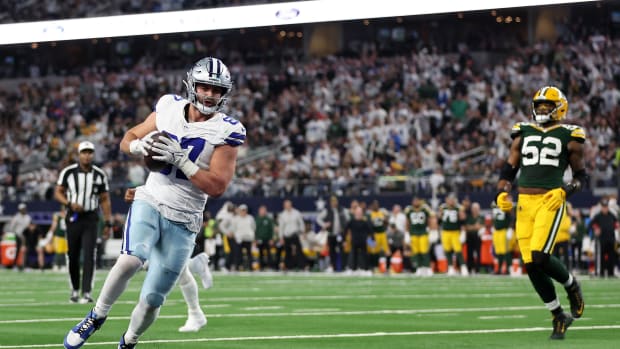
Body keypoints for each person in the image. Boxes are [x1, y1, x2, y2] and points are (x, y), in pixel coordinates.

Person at [63, 56, 244, 349]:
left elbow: (218, 186)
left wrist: (183, 162)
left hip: (185, 219)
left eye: (217, 89)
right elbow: (129, 137)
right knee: (131, 259)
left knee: (152, 299)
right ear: (192, 85)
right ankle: (96, 316)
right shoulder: (169, 107)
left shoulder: (228, 130)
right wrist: (137, 146)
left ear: (225, 93)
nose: (210, 94)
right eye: (204, 86)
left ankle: (129, 340)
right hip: (151, 198)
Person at [495, 86, 586, 340]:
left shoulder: (571, 134)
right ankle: (558, 315)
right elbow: (509, 168)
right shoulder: (522, 131)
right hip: (524, 201)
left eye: (548, 105)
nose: (542, 109)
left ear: (560, 107)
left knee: (540, 257)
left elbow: (581, 176)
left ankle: (571, 285)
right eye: (540, 105)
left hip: (550, 200)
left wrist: (566, 191)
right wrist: (500, 193)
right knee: (530, 265)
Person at [123, 187, 213, 333]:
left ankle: (196, 313)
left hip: (176, 213)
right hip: (168, 209)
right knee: (167, 267)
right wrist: (141, 191)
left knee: (166, 266)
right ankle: (195, 268)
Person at [55, 141, 113, 303]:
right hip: (73, 217)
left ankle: (86, 292)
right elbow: (58, 192)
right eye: (84, 152)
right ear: (78, 154)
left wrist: (108, 223)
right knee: (72, 254)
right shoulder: (68, 173)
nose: (87, 155)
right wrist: (68, 203)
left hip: (91, 218)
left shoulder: (99, 174)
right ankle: (74, 289)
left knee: (89, 255)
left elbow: (104, 199)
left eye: (89, 152)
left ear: (93, 154)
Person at [315, 195, 349, 272]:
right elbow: (318, 218)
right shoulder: (327, 210)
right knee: (332, 252)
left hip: (340, 234)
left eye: (335, 201)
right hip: (331, 234)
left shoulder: (342, 210)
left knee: (342, 251)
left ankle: (344, 267)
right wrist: (324, 224)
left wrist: (344, 227)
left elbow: (348, 218)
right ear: (330, 202)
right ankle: (334, 267)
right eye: (332, 201)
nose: (334, 203)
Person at [405, 197, 436, 276]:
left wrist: (432, 230)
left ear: (419, 201)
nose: (415, 202)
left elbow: (430, 220)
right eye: (414, 201)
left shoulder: (425, 209)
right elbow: (407, 222)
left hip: (423, 233)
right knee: (416, 252)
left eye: (417, 200)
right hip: (413, 233)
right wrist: (406, 233)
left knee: (424, 251)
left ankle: (427, 267)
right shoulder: (409, 210)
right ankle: (419, 268)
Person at [588, 198, 618, 277]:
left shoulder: (612, 215)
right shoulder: (598, 216)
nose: (605, 208)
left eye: (606, 206)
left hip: (611, 239)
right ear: (601, 207)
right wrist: (596, 228)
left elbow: (616, 224)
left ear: (608, 207)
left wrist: (617, 226)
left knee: (612, 257)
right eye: (603, 207)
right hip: (601, 240)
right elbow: (591, 224)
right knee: (601, 257)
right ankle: (600, 273)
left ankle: (611, 273)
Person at [438, 193, 467, 276]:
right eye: (449, 199)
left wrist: (463, 232)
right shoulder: (442, 207)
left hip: (455, 232)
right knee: (447, 250)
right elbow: (439, 220)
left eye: (452, 199)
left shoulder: (459, 208)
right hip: (445, 231)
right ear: (446, 199)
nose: (451, 201)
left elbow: (462, 221)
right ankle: (450, 267)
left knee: (458, 250)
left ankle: (463, 267)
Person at [278, 199, 306, 271]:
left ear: (291, 205)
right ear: (284, 206)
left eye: (288, 205)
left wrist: (303, 232)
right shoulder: (282, 215)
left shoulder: (296, 213)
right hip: (287, 236)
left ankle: (302, 267)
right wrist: (281, 237)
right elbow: (281, 227)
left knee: (299, 251)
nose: (287, 206)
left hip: (295, 235)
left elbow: (301, 223)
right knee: (287, 252)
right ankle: (288, 267)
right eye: (286, 205)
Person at [4, 202, 31, 270]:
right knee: (18, 251)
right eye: (22, 209)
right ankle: (16, 265)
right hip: (18, 235)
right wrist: (15, 233)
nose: (23, 210)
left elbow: (27, 226)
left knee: (25, 251)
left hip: (25, 235)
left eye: (24, 209)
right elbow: (12, 227)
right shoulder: (16, 217)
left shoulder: (27, 217)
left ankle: (25, 265)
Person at [490, 200, 513, 275]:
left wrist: (510, 228)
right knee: (498, 251)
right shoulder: (494, 205)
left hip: (504, 230)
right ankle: (499, 269)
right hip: (497, 231)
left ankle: (509, 269)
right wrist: (493, 226)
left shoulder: (505, 206)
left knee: (505, 251)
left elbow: (511, 217)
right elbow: (494, 217)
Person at [254, 204, 276, 271]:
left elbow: (271, 230)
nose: (263, 211)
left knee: (269, 254)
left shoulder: (268, 219)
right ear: (259, 211)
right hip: (259, 239)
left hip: (267, 239)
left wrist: (271, 238)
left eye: (264, 210)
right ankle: (261, 267)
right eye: (262, 210)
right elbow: (254, 230)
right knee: (260, 254)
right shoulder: (256, 219)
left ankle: (270, 267)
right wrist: (255, 239)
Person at [48, 205, 68, 272]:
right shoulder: (57, 215)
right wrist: (50, 233)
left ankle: (63, 265)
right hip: (58, 235)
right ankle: (56, 265)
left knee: (64, 252)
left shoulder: (69, 215)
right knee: (59, 252)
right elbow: (54, 225)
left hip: (66, 236)